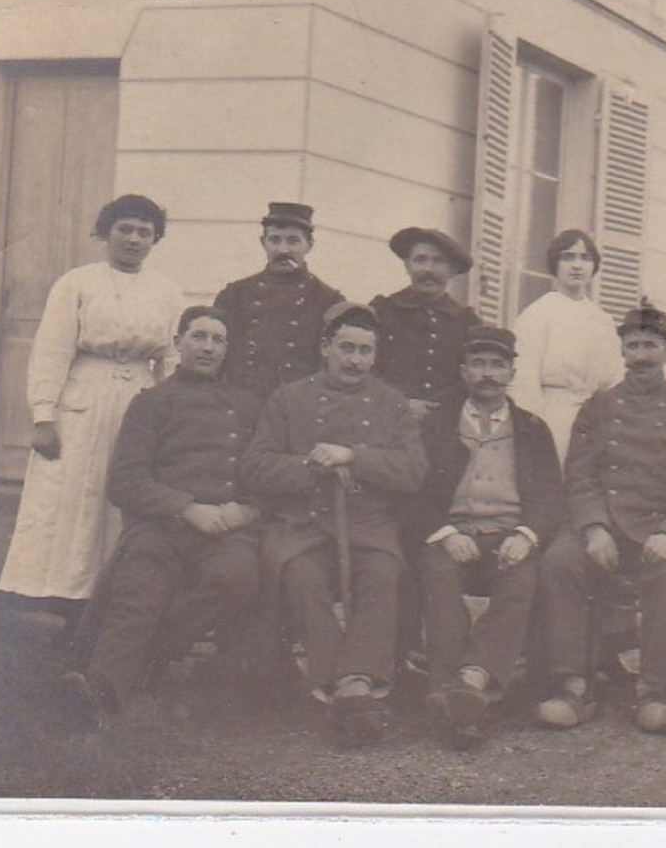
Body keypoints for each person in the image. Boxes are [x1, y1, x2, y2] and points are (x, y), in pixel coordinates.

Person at [58, 306, 263, 730]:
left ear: (227, 349)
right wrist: (187, 508)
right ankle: (102, 691)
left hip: (226, 532)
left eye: (218, 340)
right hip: (163, 526)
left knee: (238, 576)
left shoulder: (246, 405)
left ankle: (152, 654)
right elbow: (125, 481)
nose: (208, 347)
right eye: (199, 337)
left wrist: (244, 510)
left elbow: (262, 472)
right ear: (178, 343)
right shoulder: (151, 403)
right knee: (140, 589)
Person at [240, 302, 427, 747]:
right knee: (305, 578)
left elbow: (413, 470)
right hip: (302, 525)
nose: (354, 360)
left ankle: (357, 683)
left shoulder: (391, 403)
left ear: (375, 356)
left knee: (382, 574)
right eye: (345, 347)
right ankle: (334, 686)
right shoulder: (288, 399)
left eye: (365, 350)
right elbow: (255, 466)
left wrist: (355, 457)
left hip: (368, 525)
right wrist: (312, 465)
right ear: (325, 347)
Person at [0, 194, 184, 626]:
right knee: (69, 493)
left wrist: (172, 412)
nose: (134, 240)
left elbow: (171, 356)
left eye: (144, 232)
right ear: (106, 232)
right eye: (125, 229)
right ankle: (50, 590)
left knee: (119, 493)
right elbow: (52, 349)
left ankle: (107, 592)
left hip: (139, 399)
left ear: (155, 240)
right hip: (82, 398)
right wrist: (44, 414)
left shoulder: (167, 291)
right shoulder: (77, 283)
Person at [534, 303, 666, 735]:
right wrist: (594, 527)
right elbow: (579, 476)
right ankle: (572, 684)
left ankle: (654, 688)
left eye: (651, 345)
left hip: (658, 528)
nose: (642, 356)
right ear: (623, 353)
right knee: (560, 561)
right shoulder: (597, 408)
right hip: (605, 526)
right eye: (633, 346)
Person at [397, 326, 564, 749]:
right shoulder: (435, 427)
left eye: (497, 364)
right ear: (463, 370)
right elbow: (412, 492)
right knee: (437, 577)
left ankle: (471, 679)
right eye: (478, 364)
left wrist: (527, 534)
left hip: (508, 536)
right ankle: (450, 689)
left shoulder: (532, 428)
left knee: (521, 581)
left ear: (511, 371)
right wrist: (446, 532)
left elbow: (549, 495)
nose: (487, 373)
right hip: (452, 533)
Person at [508, 229, 625, 465]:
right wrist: (536, 430)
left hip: (594, 422)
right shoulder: (537, 315)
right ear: (555, 264)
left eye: (585, 258)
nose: (577, 266)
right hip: (552, 419)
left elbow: (614, 380)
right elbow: (524, 381)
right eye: (568, 257)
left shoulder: (602, 320)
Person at [213, 202, 346, 400]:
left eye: (293, 241)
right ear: (263, 242)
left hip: (299, 407)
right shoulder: (235, 294)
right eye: (274, 240)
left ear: (309, 245)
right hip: (240, 406)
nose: (283, 250)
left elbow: (335, 368)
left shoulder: (329, 301)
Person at [370, 227, 483, 420]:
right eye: (420, 259)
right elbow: (365, 369)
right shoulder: (381, 311)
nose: (428, 269)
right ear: (407, 266)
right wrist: (399, 404)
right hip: (385, 419)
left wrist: (438, 410)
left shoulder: (467, 322)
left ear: (453, 270)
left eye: (438, 261)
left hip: (444, 425)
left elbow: (472, 378)